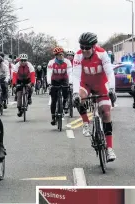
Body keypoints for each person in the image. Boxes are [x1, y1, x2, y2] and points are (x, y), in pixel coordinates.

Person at [72, 32, 117, 162]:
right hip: (85, 84)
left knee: (106, 113)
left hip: (100, 85)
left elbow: (109, 72)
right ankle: (85, 122)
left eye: (87, 48)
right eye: (82, 47)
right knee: (79, 98)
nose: (84, 50)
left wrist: (112, 89)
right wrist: (75, 93)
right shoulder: (78, 55)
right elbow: (75, 75)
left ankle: (109, 149)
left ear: (94, 46)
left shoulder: (102, 54)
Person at [47, 47, 72, 125]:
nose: (60, 56)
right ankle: (53, 117)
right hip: (54, 81)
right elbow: (49, 73)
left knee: (66, 92)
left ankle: (64, 104)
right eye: (58, 55)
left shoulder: (67, 62)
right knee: (54, 100)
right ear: (55, 56)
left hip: (64, 80)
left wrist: (70, 83)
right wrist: (49, 84)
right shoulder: (51, 63)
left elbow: (70, 73)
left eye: (61, 54)